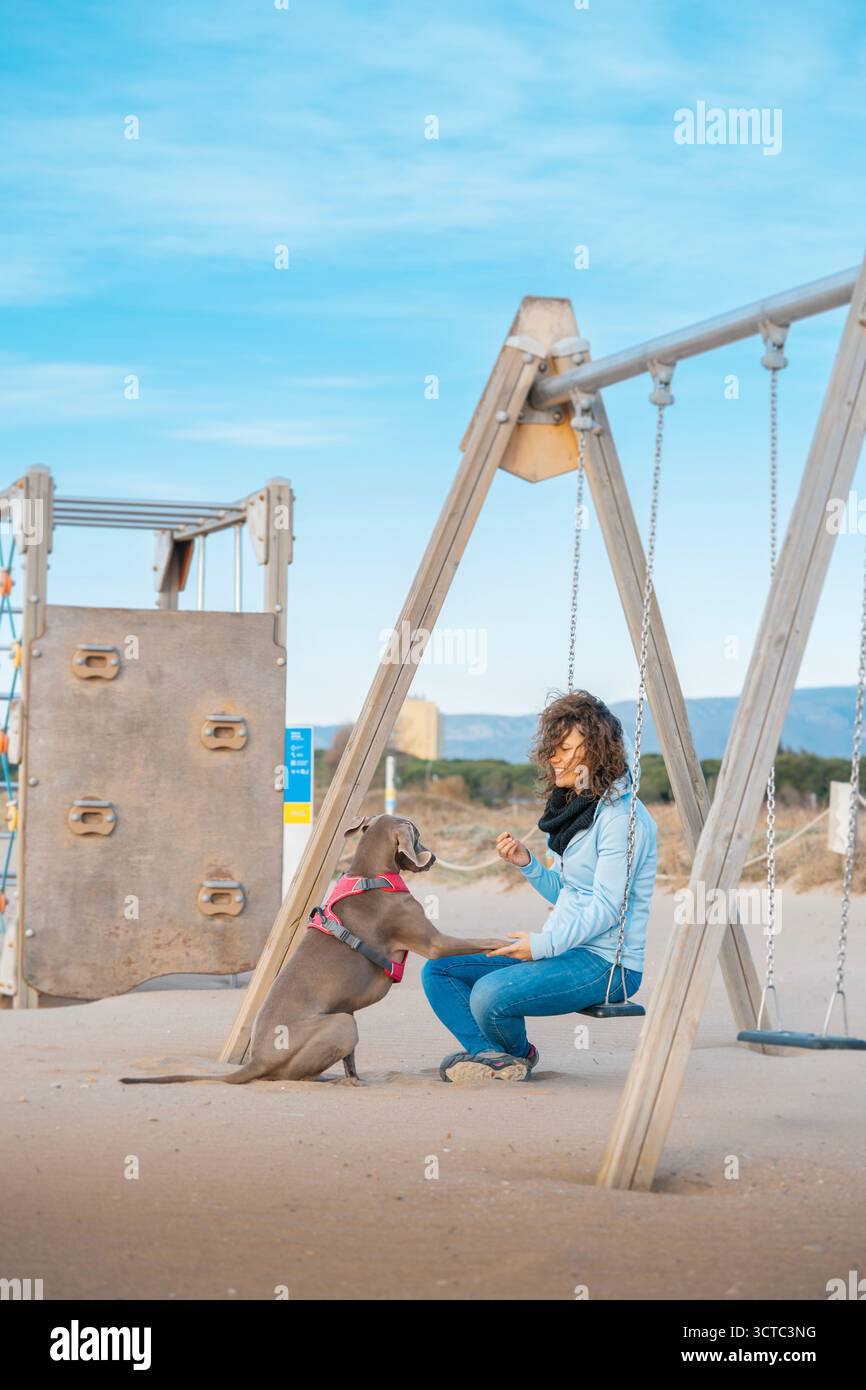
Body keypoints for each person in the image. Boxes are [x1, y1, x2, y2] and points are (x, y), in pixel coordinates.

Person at [421, 691, 657, 1082]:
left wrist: (542, 946)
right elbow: (568, 892)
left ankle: (513, 1054)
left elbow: (607, 907)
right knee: (440, 970)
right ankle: (493, 1056)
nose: (554, 757)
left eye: (566, 748)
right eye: (552, 748)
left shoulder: (622, 819)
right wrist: (528, 865)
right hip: (564, 946)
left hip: (607, 963)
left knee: (489, 996)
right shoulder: (575, 807)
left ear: (596, 751)